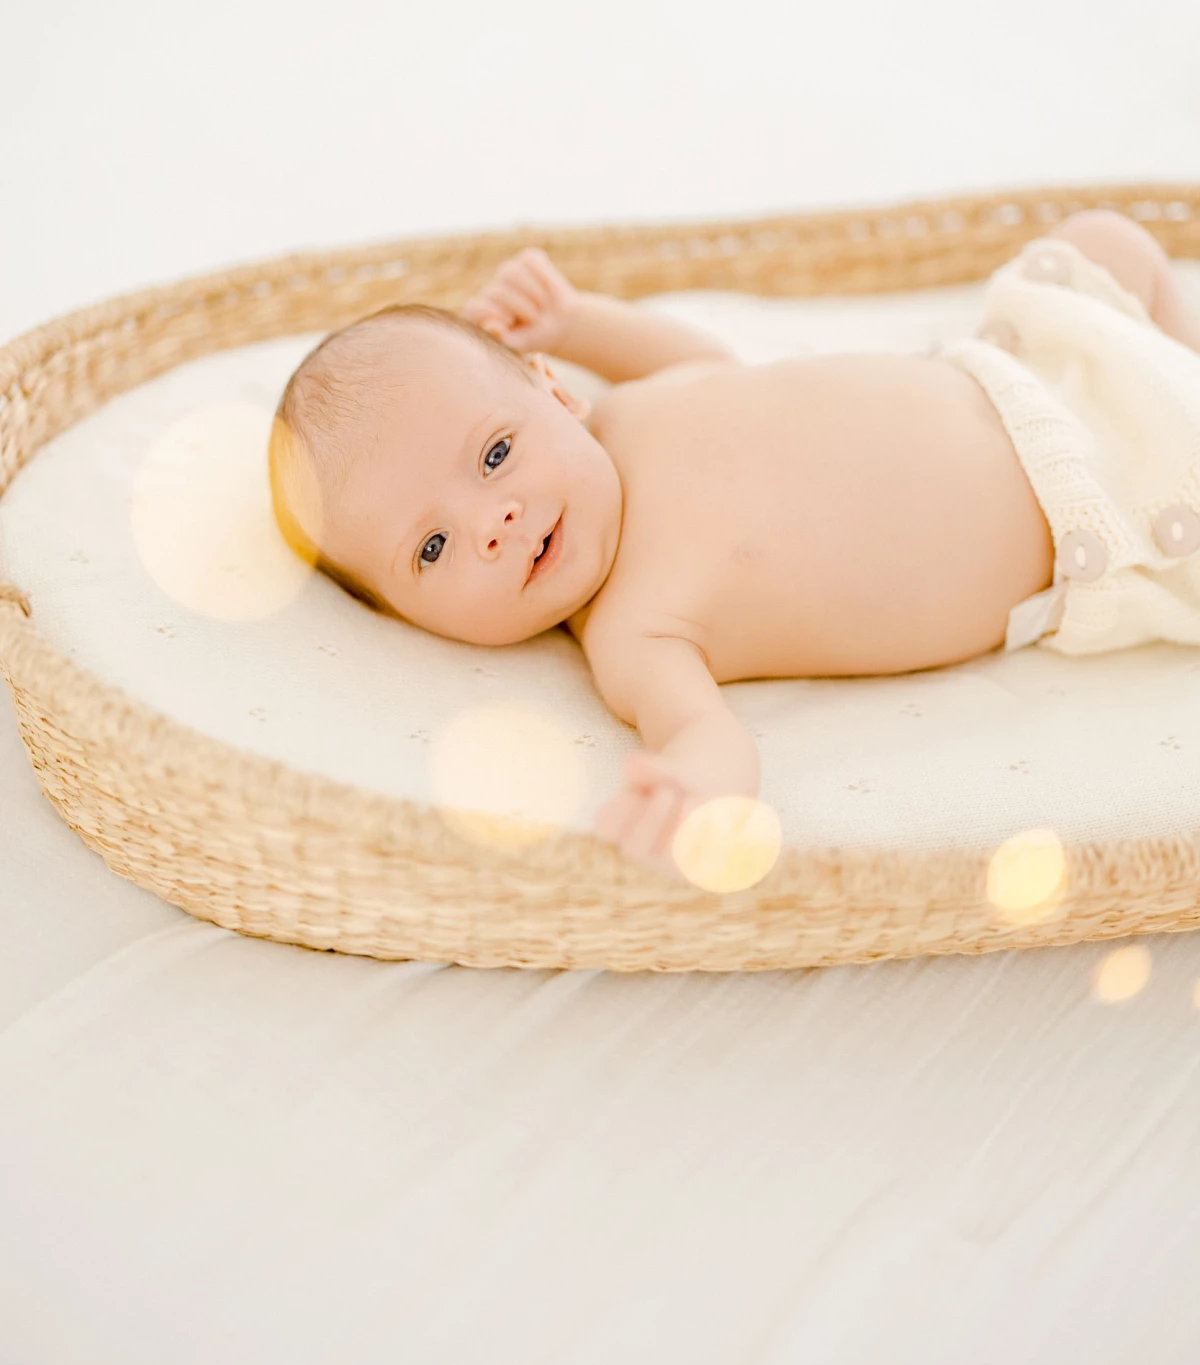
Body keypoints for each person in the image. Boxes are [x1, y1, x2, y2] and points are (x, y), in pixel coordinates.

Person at [269, 209, 1200, 880]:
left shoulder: (633, 408)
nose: (492, 521)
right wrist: (693, 795)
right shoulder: (633, 633)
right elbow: (705, 731)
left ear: (556, 393)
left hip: (1023, 364)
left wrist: (579, 315)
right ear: (410, 621)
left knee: (1108, 243)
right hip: (1109, 515)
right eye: (431, 550)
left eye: (496, 454)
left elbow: (711, 361)